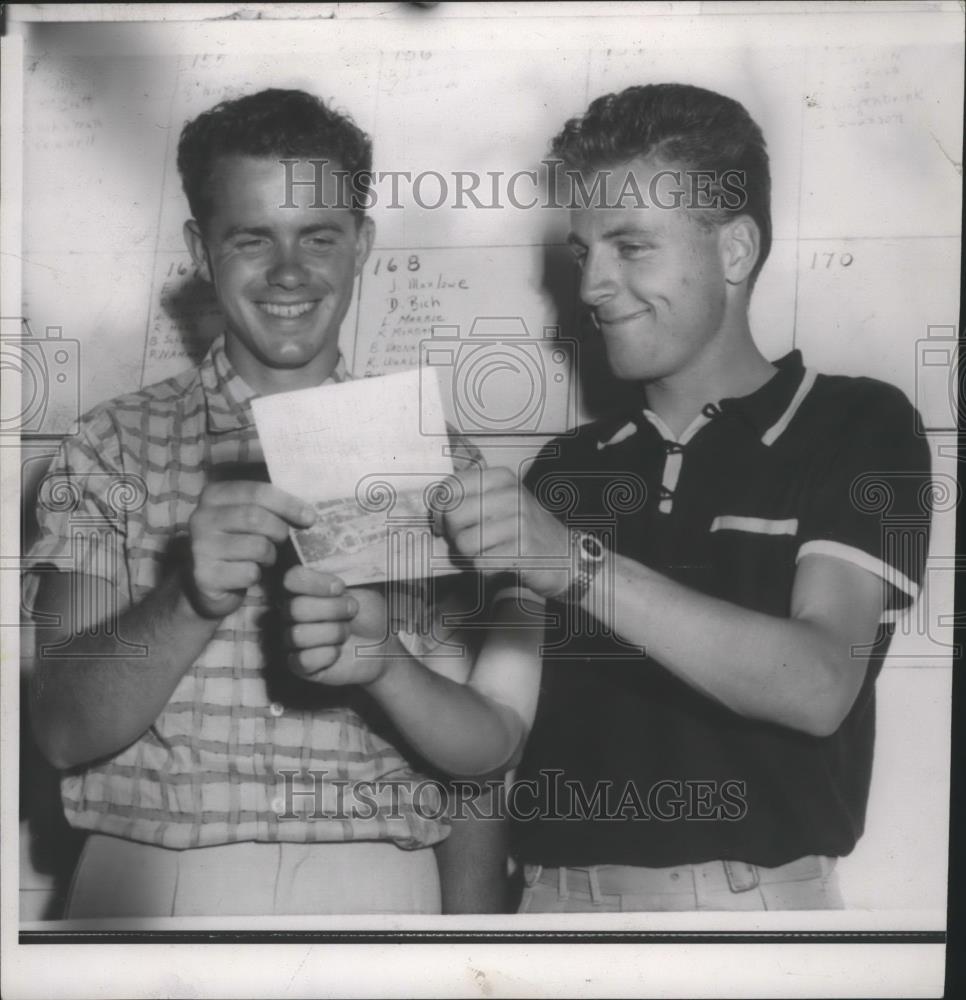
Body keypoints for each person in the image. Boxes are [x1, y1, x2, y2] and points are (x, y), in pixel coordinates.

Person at [24, 88, 537, 919]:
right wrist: (187, 599)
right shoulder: (108, 445)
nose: (290, 273)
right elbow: (61, 730)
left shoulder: (440, 462)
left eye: (319, 237)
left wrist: (472, 944)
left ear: (362, 244)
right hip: (153, 886)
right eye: (252, 237)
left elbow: (477, 759)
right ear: (202, 248)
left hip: (376, 885)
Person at [440, 83, 932, 912]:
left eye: (630, 247)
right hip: (550, 913)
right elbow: (491, 741)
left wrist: (572, 564)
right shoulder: (565, 467)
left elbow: (818, 684)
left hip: (750, 916)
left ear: (734, 252)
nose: (594, 285)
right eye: (583, 253)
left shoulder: (857, 425)